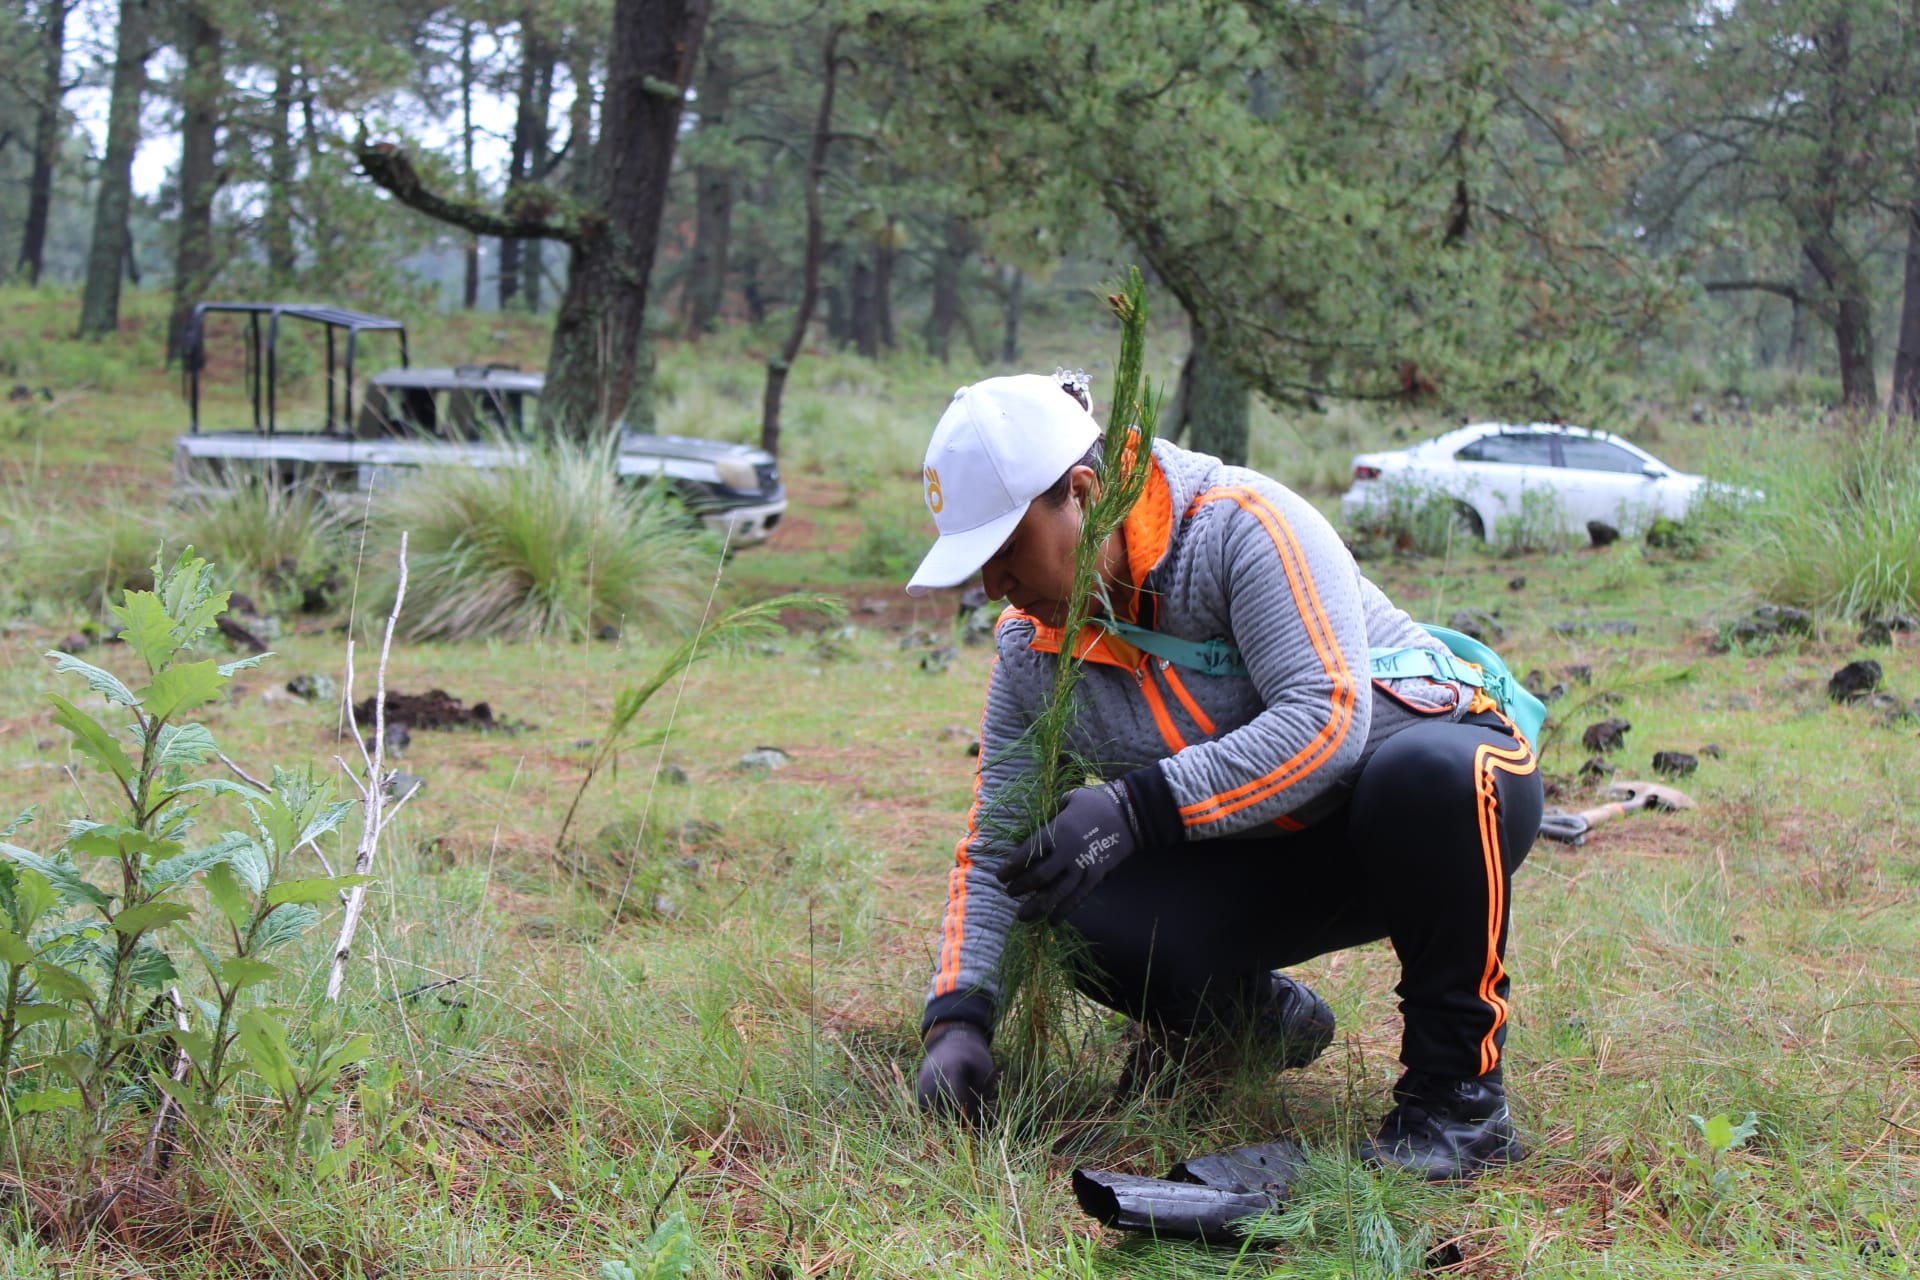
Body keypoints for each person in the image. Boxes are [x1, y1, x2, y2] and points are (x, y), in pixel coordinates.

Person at [905, 371, 1544, 1181]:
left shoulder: (1243, 528)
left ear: (1083, 493)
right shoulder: (1031, 643)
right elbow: (996, 838)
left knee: (1426, 778)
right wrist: (958, 1021)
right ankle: (1250, 1024)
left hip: (1445, 803)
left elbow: (1326, 720)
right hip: (1274, 844)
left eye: (1004, 551)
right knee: (1065, 891)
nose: (994, 586)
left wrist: (1134, 809)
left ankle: (1459, 1103)